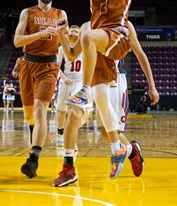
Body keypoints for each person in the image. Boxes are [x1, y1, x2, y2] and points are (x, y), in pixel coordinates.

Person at [53, 20, 159, 186]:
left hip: (113, 80)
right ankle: (68, 169)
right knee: (72, 114)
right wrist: (60, 34)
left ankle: (131, 151)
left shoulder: (124, 24)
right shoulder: (86, 26)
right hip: (86, 80)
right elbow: (72, 54)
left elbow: (139, 53)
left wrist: (151, 85)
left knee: (107, 132)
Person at [13, 0, 67, 178]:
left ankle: (33, 159)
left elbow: (67, 39)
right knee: (31, 116)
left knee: (40, 109)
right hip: (28, 64)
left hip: (49, 66)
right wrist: (42, 33)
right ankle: (35, 135)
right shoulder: (27, 13)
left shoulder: (61, 14)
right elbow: (18, 41)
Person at [55, 25, 83, 147]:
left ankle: (72, 138)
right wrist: (63, 77)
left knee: (74, 110)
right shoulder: (63, 47)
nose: (74, 32)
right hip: (65, 81)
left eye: (77, 31)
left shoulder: (84, 46)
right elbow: (55, 65)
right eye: (72, 30)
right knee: (61, 110)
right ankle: (60, 133)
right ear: (69, 33)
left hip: (79, 83)